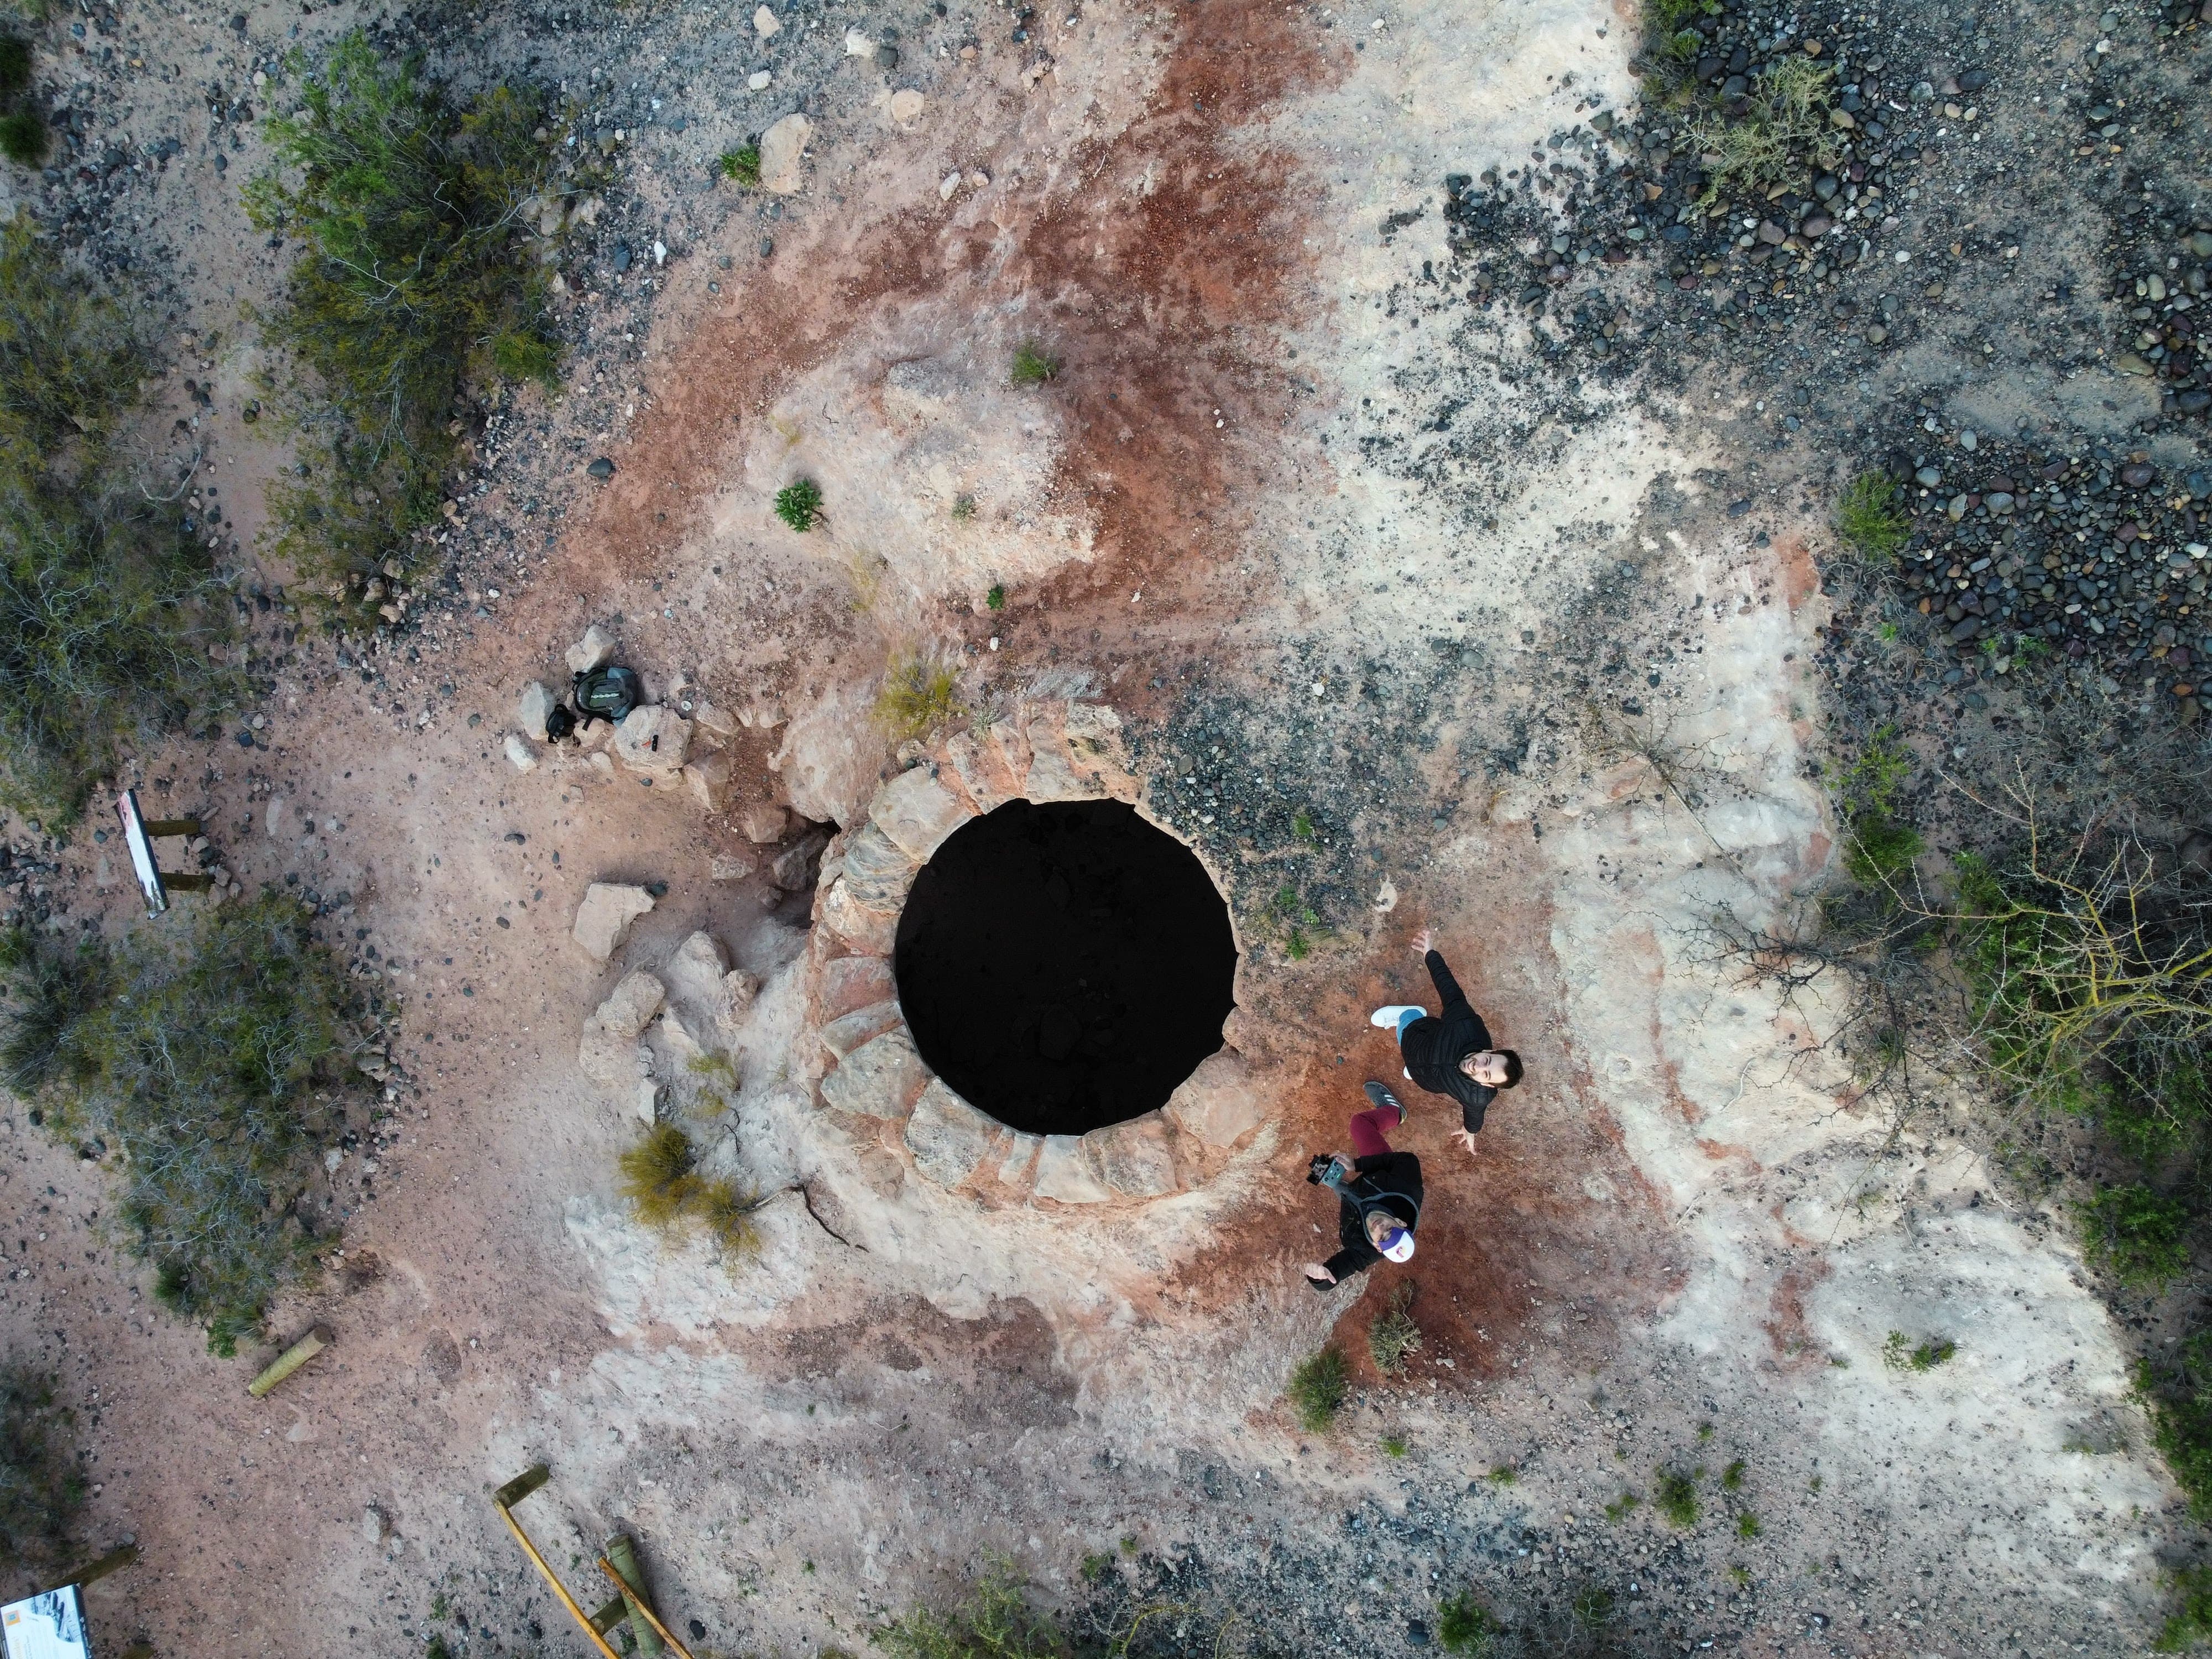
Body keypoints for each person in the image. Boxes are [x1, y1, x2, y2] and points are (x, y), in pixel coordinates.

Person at [1370, 927, 1522, 1154]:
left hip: (1428, 1079)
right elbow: (1450, 991)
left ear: (1487, 1085)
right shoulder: (1466, 1026)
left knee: (1413, 1070)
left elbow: (1474, 1115)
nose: (1478, 1066)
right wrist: (1430, 953)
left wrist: (1470, 1131)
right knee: (1405, 1025)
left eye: (1487, 1074)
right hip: (1416, 1035)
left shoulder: (1477, 1096)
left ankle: (1413, 1068)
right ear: (1488, 1050)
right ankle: (1409, 1012)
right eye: (1487, 1060)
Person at [1303, 1083, 1423, 1291]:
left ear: (1377, 1247)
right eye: (1390, 1229)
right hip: (1377, 1179)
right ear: (1401, 1222)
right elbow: (1407, 1160)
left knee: (1336, 1185)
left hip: (1357, 1201)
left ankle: (1335, 1181)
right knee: (1360, 1123)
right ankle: (1395, 1112)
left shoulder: (1366, 1251)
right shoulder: (1406, 1190)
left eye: (1382, 1238)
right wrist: (1357, 1165)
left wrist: (1321, 1278)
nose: (1379, 1228)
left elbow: (1334, 1276)